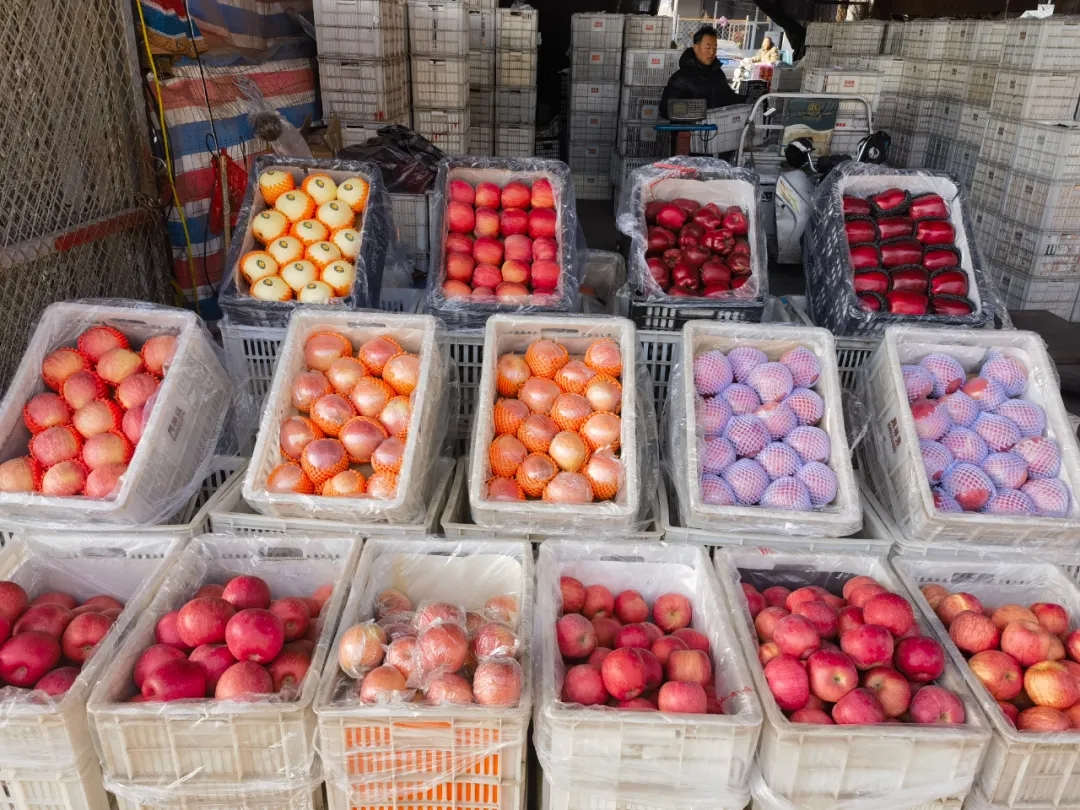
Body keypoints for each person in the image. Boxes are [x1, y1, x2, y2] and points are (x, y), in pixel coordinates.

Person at [660, 25, 742, 115]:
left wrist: (747, 100)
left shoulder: (718, 74)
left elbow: (729, 98)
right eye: (708, 47)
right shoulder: (681, 78)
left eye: (715, 48)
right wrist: (693, 111)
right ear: (696, 48)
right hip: (690, 128)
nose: (712, 52)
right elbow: (665, 108)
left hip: (716, 126)